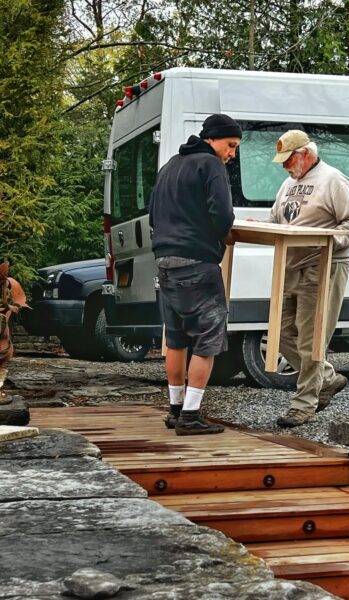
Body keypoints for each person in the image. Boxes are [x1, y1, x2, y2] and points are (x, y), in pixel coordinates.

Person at [148, 114, 242, 435]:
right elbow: (222, 214)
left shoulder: (170, 166)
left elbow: (153, 216)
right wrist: (221, 234)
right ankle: (190, 417)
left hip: (165, 261)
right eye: (231, 145)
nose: (232, 154)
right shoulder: (210, 165)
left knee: (175, 339)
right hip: (197, 263)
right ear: (213, 139)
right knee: (207, 339)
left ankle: (175, 409)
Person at [269, 130, 349, 427]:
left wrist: (325, 243)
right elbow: (276, 220)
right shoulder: (288, 184)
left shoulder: (333, 180)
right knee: (281, 332)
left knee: (312, 339)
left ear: (306, 154)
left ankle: (303, 406)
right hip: (291, 266)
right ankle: (327, 378)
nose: (285, 166)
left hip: (323, 267)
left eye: (289, 160)